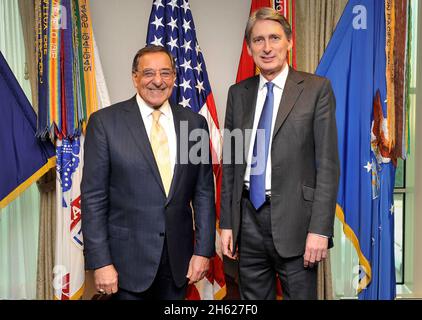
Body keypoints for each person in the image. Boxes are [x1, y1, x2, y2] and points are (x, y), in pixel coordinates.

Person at [220, 7, 340, 300]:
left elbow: (328, 165)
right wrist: (226, 223)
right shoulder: (238, 93)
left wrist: (320, 230)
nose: (267, 47)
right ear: (249, 49)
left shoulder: (316, 89)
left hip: (298, 224)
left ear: (289, 42)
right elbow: (232, 164)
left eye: (274, 38)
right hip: (248, 221)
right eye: (258, 40)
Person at [81, 45, 216, 300]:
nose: (157, 81)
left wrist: (203, 252)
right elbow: (94, 198)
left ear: (174, 78)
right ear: (135, 77)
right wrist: (101, 262)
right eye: (148, 73)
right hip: (124, 267)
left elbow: (203, 192)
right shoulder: (105, 123)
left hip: (179, 263)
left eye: (165, 73)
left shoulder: (194, 124)